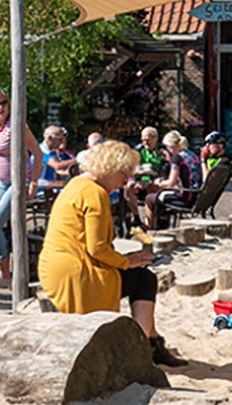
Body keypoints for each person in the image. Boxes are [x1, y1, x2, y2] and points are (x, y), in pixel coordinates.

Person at [37, 139, 186, 366]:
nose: (124, 182)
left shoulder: (76, 184)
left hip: (54, 267)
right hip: (78, 274)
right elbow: (97, 248)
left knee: (139, 276)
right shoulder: (95, 194)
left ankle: (152, 341)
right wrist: (126, 261)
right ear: (111, 169)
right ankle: (141, 349)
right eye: (124, 175)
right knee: (145, 279)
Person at [0, 89, 43, 288]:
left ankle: (5, 275)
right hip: (0, 182)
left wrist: (33, 182)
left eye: (4, 103)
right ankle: (3, 273)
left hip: (20, 180)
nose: (1, 107)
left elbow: (37, 153)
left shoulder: (17, 125)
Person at [143, 131, 202, 230]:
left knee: (149, 198)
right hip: (196, 196)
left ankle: (149, 229)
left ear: (171, 146)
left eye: (167, 147)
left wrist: (156, 182)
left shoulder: (177, 158)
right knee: (164, 194)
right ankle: (162, 225)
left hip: (185, 199)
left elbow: (171, 182)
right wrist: (170, 161)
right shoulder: (191, 154)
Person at [124, 126, 167, 227]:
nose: (145, 143)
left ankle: (152, 223)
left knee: (153, 188)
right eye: (143, 140)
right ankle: (136, 217)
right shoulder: (138, 150)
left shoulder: (163, 151)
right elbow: (131, 169)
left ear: (156, 138)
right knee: (128, 187)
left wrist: (150, 182)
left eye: (148, 140)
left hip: (156, 181)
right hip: (140, 181)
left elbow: (165, 172)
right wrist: (136, 180)